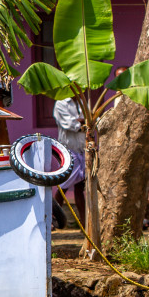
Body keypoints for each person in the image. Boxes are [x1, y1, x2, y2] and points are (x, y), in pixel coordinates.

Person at [53, 96, 86, 224]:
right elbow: (71, 124)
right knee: (64, 185)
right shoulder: (61, 103)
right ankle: (53, 218)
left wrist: (82, 121)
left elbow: (86, 122)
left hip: (82, 148)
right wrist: (84, 121)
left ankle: (84, 222)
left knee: (79, 186)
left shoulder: (82, 102)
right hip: (68, 149)